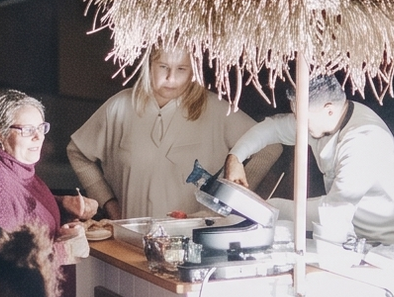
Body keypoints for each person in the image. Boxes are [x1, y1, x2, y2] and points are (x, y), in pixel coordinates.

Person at [228, 74, 394, 297]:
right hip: (359, 256)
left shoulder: (363, 138)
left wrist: (269, 208)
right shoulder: (321, 121)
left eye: (302, 117)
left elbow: (334, 211)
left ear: (329, 109)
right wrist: (236, 157)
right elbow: (274, 128)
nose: (298, 123)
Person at [65, 43, 256, 221]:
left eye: (181, 69)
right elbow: (77, 153)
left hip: (195, 236)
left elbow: (268, 148)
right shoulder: (118, 107)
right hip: (130, 236)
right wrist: (108, 202)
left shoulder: (217, 110)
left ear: (194, 71)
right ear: (149, 65)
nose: (171, 78)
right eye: (163, 67)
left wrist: (237, 195)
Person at [0, 89, 90, 297]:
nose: (39, 137)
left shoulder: (9, 164)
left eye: (41, 128)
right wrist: (65, 250)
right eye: (27, 130)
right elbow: (0, 270)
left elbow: (21, 201)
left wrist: (62, 204)